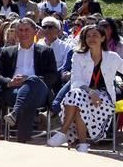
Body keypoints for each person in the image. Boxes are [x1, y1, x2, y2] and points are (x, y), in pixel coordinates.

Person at [47, 24, 122, 153]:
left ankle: (64, 133)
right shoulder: (78, 56)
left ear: (103, 38)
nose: (91, 38)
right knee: (78, 96)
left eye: (95, 35)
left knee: (76, 99)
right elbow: (75, 81)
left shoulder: (112, 57)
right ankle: (82, 144)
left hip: (103, 99)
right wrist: (90, 91)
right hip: (83, 93)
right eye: (88, 36)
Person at [0, 18, 60, 142]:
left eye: (27, 30)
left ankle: (15, 113)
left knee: (32, 82)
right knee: (28, 99)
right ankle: (22, 140)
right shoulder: (7, 51)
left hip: (40, 92)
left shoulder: (46, 51)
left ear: (35, 31)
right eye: (20, 30)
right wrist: (9, 82)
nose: (23, 33)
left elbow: (53, 76)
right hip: (13, 90)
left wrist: (29, 79)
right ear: (16, 32)